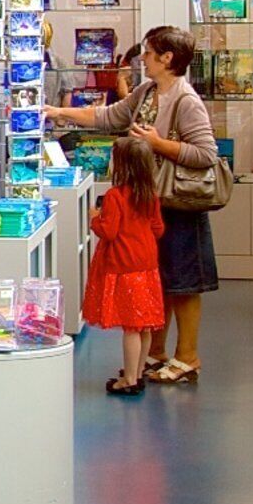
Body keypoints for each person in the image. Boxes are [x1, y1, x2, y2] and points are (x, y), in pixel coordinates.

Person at [131, 26, 223, 384]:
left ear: (167, 58)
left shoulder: (186, 100)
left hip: (181, 203)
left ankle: (187, 356)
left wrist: (159, 144)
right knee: (162, 279)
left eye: (149, 52)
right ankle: (157, 351)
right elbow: (110, 116)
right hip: (156, 203)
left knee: (184, 282)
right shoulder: (148, 92)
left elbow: (206, 154)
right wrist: (56, 111)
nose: (143, 58)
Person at [81, 132, 167, 394]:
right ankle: (138, 371)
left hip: (123, 265)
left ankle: (128, 380)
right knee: (143, 324)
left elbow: (108, 231)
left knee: (130, 326)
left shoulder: (115, 196)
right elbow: (158, 228)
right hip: (147, 265)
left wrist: (94, 217)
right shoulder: (149, 194)